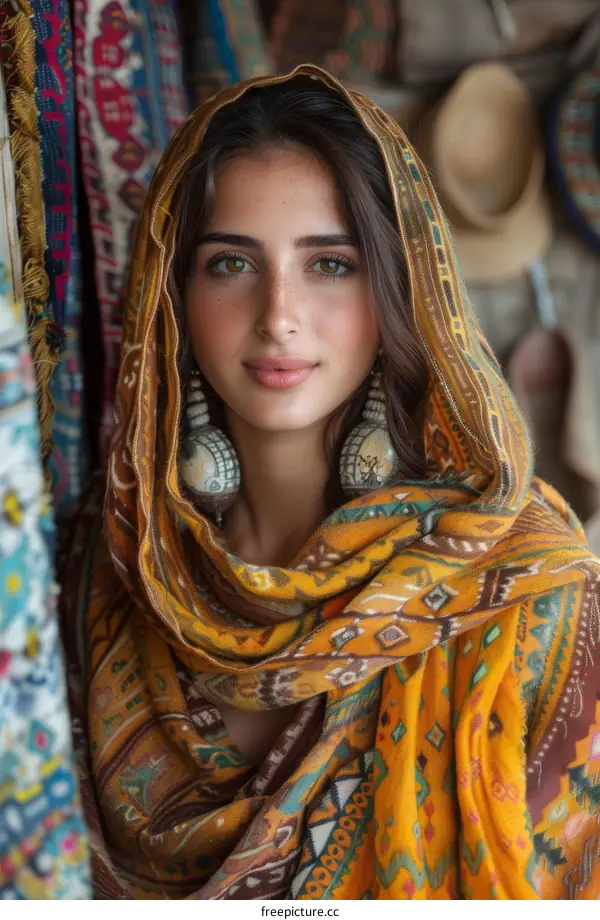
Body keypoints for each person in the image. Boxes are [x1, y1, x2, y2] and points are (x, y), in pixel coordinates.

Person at [60, 65, 600, 900]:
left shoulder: (528, 587)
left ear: (396, 288)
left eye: (330, 265)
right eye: (231, 263)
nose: (279, 314)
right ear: (172, 295)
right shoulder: (104, 564)